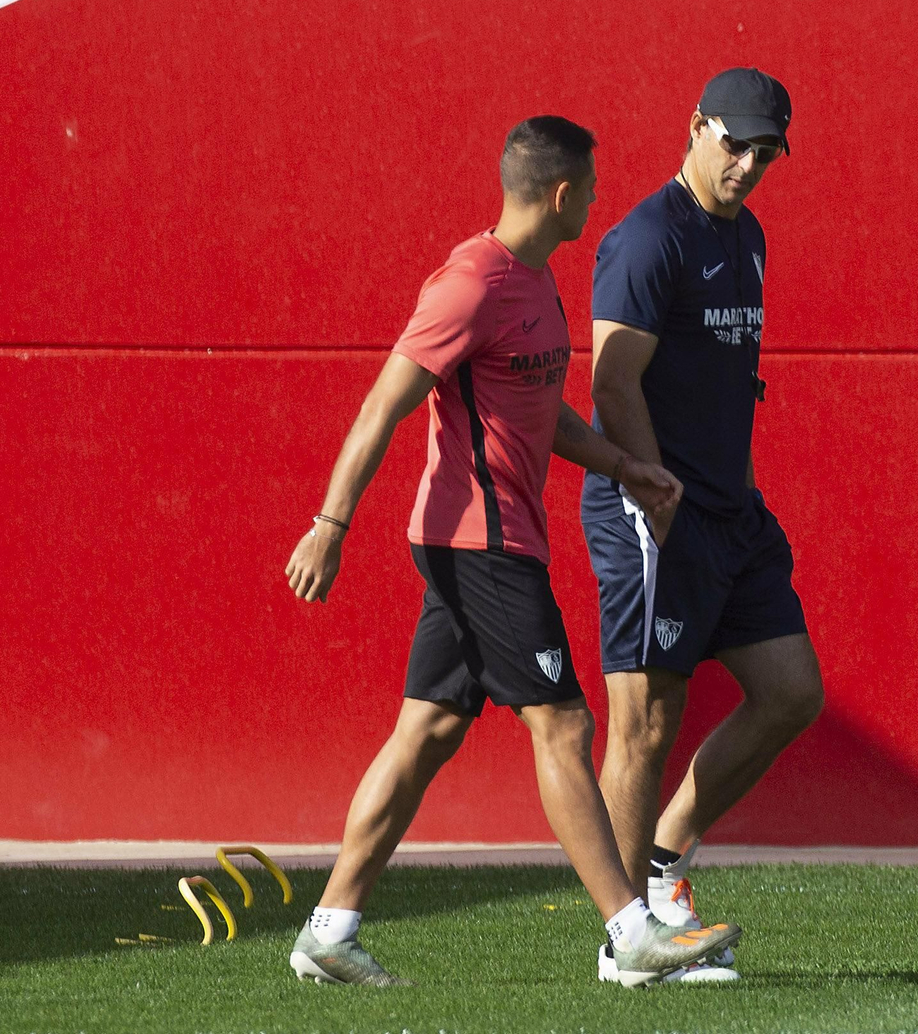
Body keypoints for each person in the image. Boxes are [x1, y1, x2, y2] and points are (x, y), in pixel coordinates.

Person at [282, 115, 740, 989]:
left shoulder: (535, 281)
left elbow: (541, 412)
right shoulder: (470, 284)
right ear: (562, 194)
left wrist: (625, 466)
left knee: (428, 727)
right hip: (478, 544)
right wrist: (330, 526)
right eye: (592, 187)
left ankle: (329, 930)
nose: (600, 199)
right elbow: (384, 405)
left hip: (492, 540)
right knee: (564, 723)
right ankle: (630, 931)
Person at [581, 69, 824, 984]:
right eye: (737, 142)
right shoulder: (647, 238)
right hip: (653, 508)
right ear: (696, 128)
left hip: (731, 510)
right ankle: (629, 938)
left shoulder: (748, 236)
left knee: (792, 690)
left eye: (766, 150)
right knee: (644, 722)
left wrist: (739, 496)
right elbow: (611, 383)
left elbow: (731, 386)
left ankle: (665, 858)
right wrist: (652, 492)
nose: (750, 163)